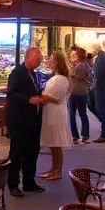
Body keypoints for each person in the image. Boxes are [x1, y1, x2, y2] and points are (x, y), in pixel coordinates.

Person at [7, 47, 46, 196]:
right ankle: (13, 184)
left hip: (33, 120)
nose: (39, 62)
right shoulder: (17, 73)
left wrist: (40, 98)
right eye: (37, 59)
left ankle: (29, 182)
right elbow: (11, 94)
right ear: (29, 57)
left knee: (32, 152)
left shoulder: (34, 74)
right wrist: (28, 99)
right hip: (19, 121)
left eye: (40, 59)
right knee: (17, 153)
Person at [39, 50, 72, 180]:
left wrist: (41, 96)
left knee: (56, 144)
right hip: (51, 112)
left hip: (56, 113)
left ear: (58, 62)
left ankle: (57, 171)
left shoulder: (61, 79)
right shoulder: (56, 77)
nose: (49, 61)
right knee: (53, 144)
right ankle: (53, 169)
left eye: (51, 59)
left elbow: (57, 98)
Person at [68, 47, 92, 144]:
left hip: (76, 91)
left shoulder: (81, 65)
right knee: (82, 114)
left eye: (75, 54)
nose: (73, 56)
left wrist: (72, 74)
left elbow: (73, 75)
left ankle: (76, 135)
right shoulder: (85, 65)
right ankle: (84, 134)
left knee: (73, 114)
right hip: (80, 91)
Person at [91, 45, 105, 143]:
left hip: (101, 87)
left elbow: (98, 74)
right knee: (103, 109)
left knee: (102, 109)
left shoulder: (101, 58)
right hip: (103, 86)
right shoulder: (104, 57)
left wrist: (94, 85)